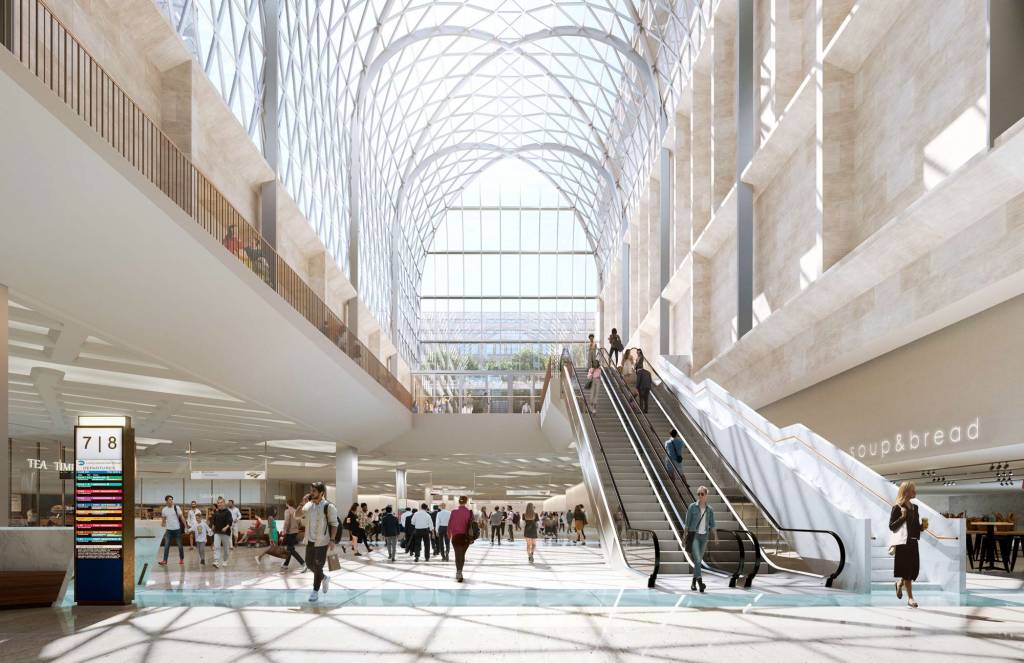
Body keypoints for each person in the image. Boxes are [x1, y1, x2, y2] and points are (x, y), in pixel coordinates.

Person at [295, 482, 339, 603]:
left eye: (314, 491)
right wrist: (301, 503)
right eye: (311, 491)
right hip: (309, 540)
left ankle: (315, 591)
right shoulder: (308, 505)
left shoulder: (329, 507)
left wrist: (332, 539)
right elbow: (296, 516)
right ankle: (324, 577)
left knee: (318, 565)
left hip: (322, 542)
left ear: (321, 493)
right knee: (309, 564)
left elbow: (334, 524)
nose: (311, 493)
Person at [890, 481, 926, 608]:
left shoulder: (915, 508)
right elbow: (891, 527)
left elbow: (915, 527)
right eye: (912, 490)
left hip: (913, 542)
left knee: (913, 570)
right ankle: (910, 598)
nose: (915, 492)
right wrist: (903, 517)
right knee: (907, 571)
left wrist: (921, 527)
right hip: (902, 543)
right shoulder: (898, 507)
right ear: (906, 492)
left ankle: (899, 583)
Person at [685, 486, 718, 593]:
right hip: (694, 535)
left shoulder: (710, 509)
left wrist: (715, 536)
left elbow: (712, 524)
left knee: (698, 561)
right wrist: (683, 537)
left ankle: (693, 582)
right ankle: (700, 583)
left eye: (702, 494)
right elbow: (687, 523)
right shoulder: (692, 507)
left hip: (704, 537)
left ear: (706, 495)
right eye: (698, 494)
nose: (700, 496)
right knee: (698, 559)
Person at [448, 496, 475, 582]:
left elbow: (450, 525)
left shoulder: (453, 512)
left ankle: (458, 572)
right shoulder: (469, 512)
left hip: (455, 537)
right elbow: (471, 525)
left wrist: (449, 535)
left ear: (459, 502)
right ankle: (460, 572)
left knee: (457, 555)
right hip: (465, 537)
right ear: (466, 502)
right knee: (462, 555)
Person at [159, 495, 185, 566]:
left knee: (180, 545)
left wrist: (186, 526)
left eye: (172, 499)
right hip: (168, 531)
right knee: (166, 545)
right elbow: (163, 520)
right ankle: (165, 560)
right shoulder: (164, 509)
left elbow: (182, 517)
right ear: (166, 501)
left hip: (177, 530)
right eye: (170, 499)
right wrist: (162, 527)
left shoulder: (177, 507)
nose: (171, 501)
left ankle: (181, 559)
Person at [281, 498, 305, 571]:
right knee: (290, 549)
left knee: (290, 549)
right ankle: (286, 564)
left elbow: (286, 522)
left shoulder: (287, 511)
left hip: (290, 532)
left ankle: (303, 563)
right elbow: (300, 523)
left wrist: (284, 530)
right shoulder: (296, 511)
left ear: (287, 503)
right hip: (295, 532)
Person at [212, 497, 233, 568]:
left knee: (226, 549)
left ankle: (225, 560)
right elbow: (214, 522)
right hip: (217, 532)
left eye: (221, 502)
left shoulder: (228, 512)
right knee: (216, 546)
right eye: (218, 503)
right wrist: (212, 527)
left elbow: (230, 522)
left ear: (224, 503)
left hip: (225, 533)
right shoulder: (216, 512)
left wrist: (226, 527)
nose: (219, 504)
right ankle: (216, 561)